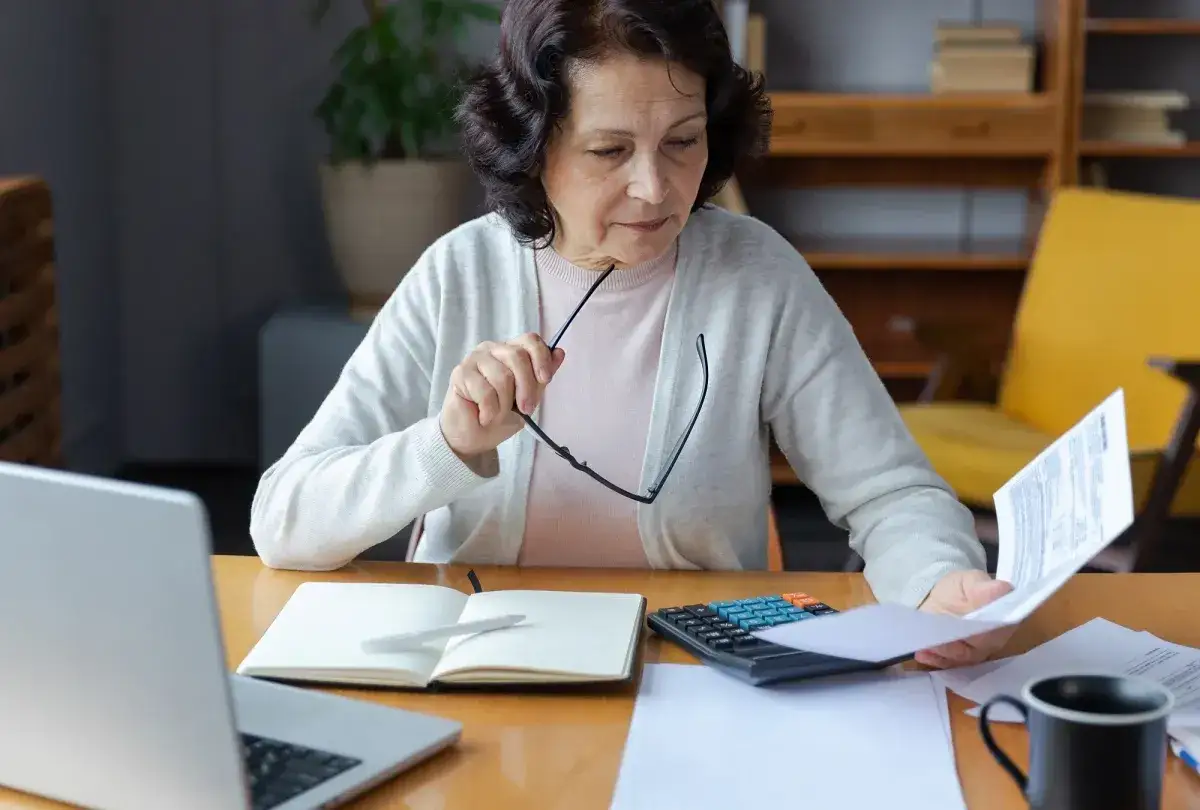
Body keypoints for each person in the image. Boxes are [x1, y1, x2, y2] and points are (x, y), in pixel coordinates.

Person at [249, 0, 1013, 668]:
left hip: (693, 678)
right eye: (609, 151)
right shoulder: (459, 274)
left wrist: (941, 584)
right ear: (533, 145)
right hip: (480, 684)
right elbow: (284, 521)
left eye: (682, 141)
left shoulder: (757, 276)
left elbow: (893, 494)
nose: (654, 188)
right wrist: (446, 446)